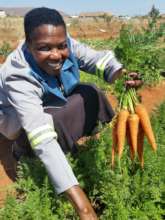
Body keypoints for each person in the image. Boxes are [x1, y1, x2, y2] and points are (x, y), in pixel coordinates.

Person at [0, 7, 141, 220]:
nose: (57, 54)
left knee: (90, 91)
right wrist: (84, 209)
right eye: (44, 48)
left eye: (61, 46)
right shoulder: (17, 75)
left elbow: (98, 61)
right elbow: (42, 137)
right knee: (52, 122)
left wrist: (122, 76)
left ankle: (77, 145)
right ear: (28, 44)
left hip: (52, 103)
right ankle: (22, 152)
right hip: (18, 121)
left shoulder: (66, 44)